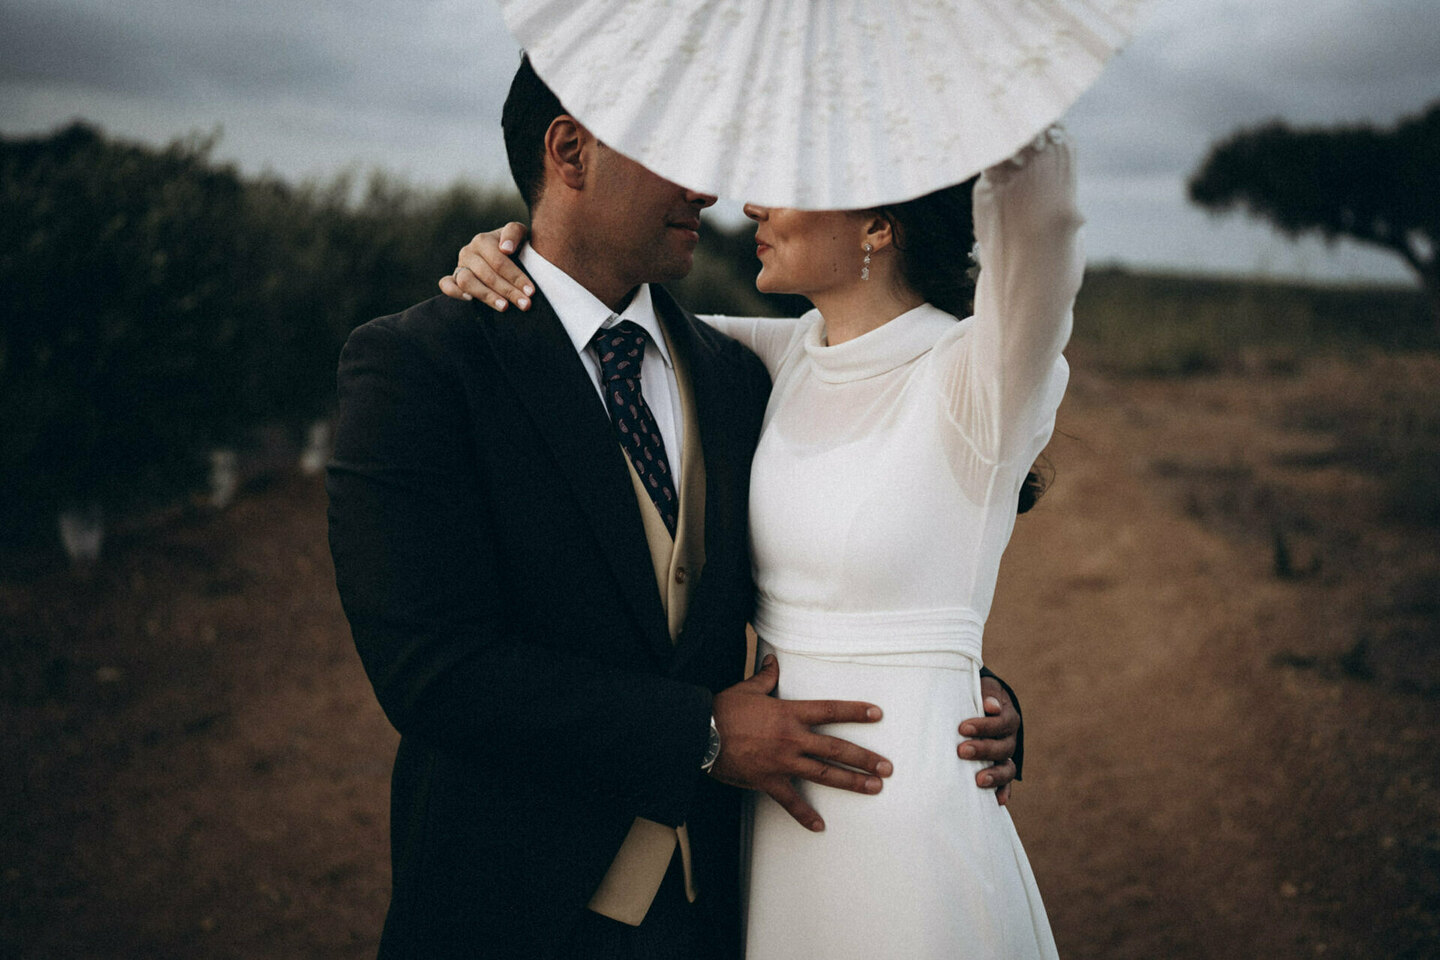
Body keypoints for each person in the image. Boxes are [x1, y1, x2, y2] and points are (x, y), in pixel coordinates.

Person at [328, 54, 1021, 960]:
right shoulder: (421, 367)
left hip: (720, 910)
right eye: (679, 150)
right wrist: (695, 733)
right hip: (511, 913)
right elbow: (430, 669)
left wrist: (964, 694)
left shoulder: (738, 376)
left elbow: (841, 563)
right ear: (570, 152)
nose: (710, 186)